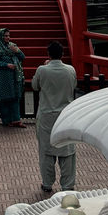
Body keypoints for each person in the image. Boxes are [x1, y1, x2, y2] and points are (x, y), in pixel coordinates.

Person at [31, 40, 77, 194]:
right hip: (66, 115)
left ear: (48, 54)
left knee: (46, 151)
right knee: (67, 150)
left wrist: (45, 65)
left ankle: (47, 183)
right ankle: (68, 184)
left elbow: (35, 86)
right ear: (62, 54)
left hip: (47, 115)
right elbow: (74, 85)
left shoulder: (42, 70)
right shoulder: (70, 70)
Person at [0, 27, 26, 128]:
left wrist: (17, 51)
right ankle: (6, 121)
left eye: (8, 36)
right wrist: (7, 65)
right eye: (5, 36)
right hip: (3, 76)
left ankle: (16, 120)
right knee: (4, 99)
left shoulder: (13, 46)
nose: (7, 38)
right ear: (1, 36)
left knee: (15, 97)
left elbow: (23, 57)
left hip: (14, 76)